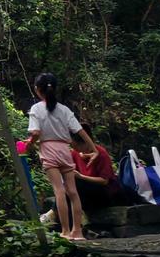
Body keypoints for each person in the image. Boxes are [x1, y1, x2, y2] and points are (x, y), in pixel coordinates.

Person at [24, 72, 97, 241]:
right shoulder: (64, 109)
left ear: (37, 90)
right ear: (54, 89)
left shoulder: (36, 108)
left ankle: (64, 231)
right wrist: (94, 149)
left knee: (59, 191)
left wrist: (29, 143)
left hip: (48, 149)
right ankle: (77, 232)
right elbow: (80, 131)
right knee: (72, 191)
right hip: (65, 150)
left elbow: (35, 132)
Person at [71, 125, 145, 216]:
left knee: (78, 183)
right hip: (87, 193)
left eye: (76, 146)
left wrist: (81, 176)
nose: (75, 149)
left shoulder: (101, 154)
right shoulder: (75, 154)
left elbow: (104, 181)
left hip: (105, 193)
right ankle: (55, 214)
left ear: (86, 143)